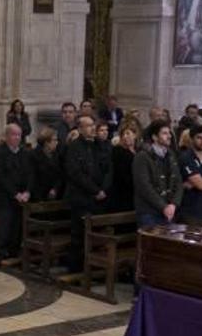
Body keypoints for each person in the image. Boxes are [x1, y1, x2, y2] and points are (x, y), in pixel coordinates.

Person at [63, 116, 111, 272]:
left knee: (97, 235)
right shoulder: (74, 147)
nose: (92, 128)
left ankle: (94, 269)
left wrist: (103, 189)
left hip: (99, 199)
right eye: (88, 126)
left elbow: (108, 169)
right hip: (81, 199)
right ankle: (76, 270)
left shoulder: (100, 145)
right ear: (80, 129)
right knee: (79, 236)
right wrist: (95, 190)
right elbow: (75, 174)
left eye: (93, 125)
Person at [0, 124, 30, 265]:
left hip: (21, 197)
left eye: (19, 135)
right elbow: (0, 177)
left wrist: (27, 192)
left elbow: (30, 174)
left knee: (17, 227)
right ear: (6, 136)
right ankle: (0, 254)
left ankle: (14, 252)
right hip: (4, 197)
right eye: (13, 135)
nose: (17, 138)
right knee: (4, 226)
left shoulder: (24, 153)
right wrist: (15, 194)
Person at [132, 120, 183, 227]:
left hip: (169, 210)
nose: (169, 136)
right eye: (164, 133)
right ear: (154, 137)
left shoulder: (171, 155)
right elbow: (144, 186)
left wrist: (174, 204)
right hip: (149, 211)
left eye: (169, 133)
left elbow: (178, 182)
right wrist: (163, 206)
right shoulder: (143, 156)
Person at [107, 123, 138, 212]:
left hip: (135, 193)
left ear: (135, 135)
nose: (125, 137)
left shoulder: (139, 151)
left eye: (128, 133)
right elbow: (122, 175)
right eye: (122, 134)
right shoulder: (118, 152)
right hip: (123, 194)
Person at [28, 128, 62, 202]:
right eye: (54, 140)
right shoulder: (33, 155)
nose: (57, 142)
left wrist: (55, 189)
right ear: (46, 142)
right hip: (38, 196)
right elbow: (32, 177)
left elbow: (59, 174)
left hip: (54, 195)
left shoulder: (56, 155)